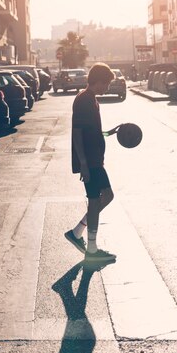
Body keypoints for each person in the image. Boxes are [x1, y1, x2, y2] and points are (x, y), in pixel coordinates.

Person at [65, 63, 116, 263]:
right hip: (91, 162)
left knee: (107, 196)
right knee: (95, 201)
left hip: (96, 160)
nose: (108, 87)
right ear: (99, 81)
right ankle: (92, 250)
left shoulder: (91, 100)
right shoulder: (84, 100)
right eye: (107, 83)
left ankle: (77, 233)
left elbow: (90, 130)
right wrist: (83, 164)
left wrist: (107, 133)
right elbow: (77, 133)